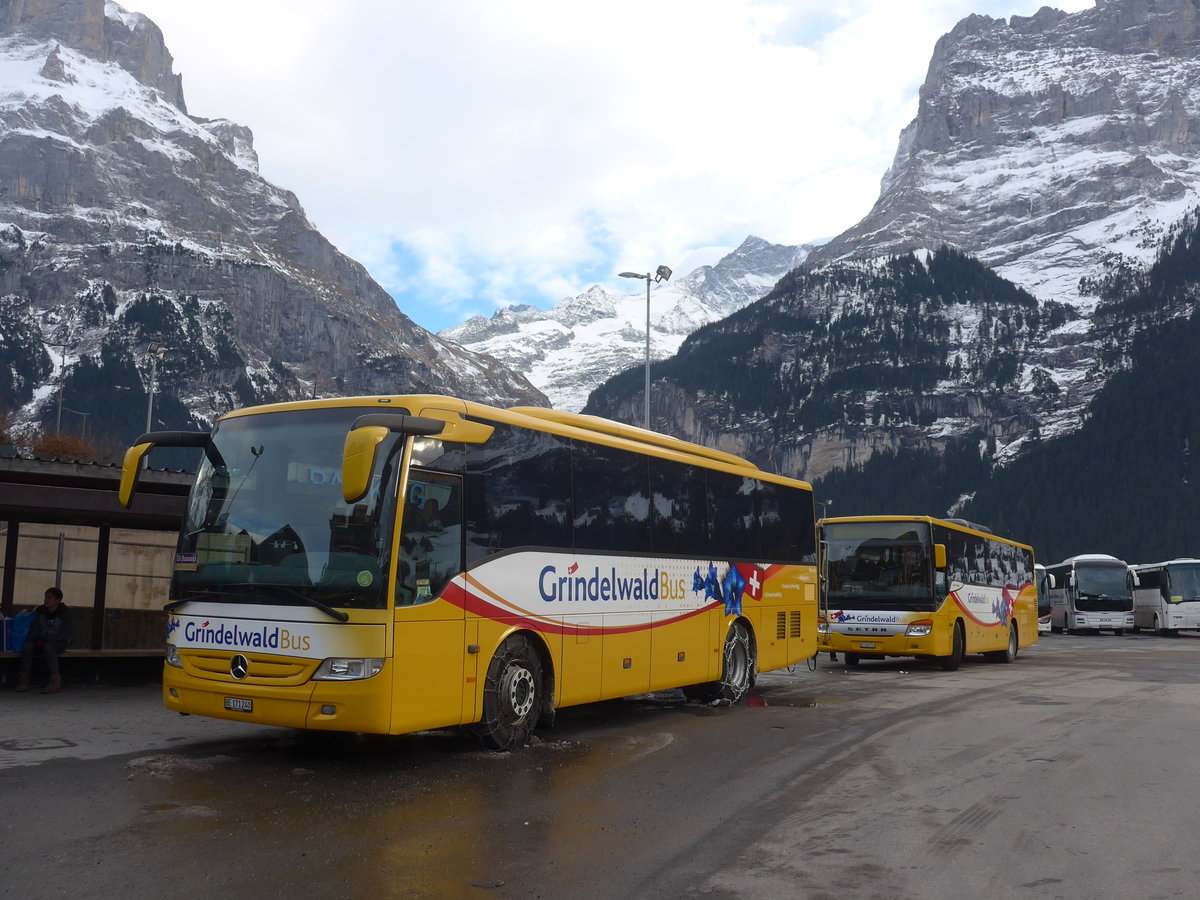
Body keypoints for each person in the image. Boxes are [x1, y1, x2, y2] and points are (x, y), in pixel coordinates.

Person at [16, 587, 73, 694]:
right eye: (45, 597)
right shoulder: (40, 611)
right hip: (42, 640)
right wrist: (37, 639)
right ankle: (23, 679)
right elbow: (34, 629)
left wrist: (50, 640)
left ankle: (55, 681)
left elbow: (64, 633)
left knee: (49, 647)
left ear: (58, 600)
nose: (46, 600)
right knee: (27, 647)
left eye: (50, 598)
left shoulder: (65, 613)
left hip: (59, 642)